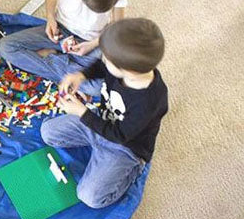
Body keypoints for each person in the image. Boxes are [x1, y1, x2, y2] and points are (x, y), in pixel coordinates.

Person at [41, 18, 168, 208]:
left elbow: (119, 135)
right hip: (100, 122)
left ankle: (132, 170)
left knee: (90, 197)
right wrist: (80, 75)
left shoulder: (150, 100)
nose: (102, 59)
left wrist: (82, 112)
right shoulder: (122, 67)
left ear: (127, 70)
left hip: (125, 147)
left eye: (107, 59)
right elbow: (101, 67)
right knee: (48, 132)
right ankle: (97, 151)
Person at [0, 0, 126, 94]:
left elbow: (116, 25)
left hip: (92, 41)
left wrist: (93, 43)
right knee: (5, 46)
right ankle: (68, 71)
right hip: (60, 30)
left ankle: (53, 58)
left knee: (99, 86)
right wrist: (50, 19)